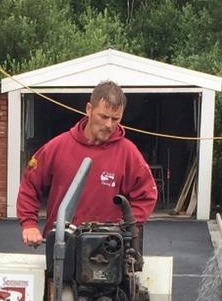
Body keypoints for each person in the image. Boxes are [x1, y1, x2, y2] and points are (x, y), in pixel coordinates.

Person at [18, 81, 158, 246]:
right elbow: (30, 184)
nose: (109, 125)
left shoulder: (128, 153)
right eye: (104, 116)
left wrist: (122, 228)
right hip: (61, 245)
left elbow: (147, 194)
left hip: (106, 249)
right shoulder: (57, 147)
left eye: (116, 119)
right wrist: (29, 224)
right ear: (89, 109)